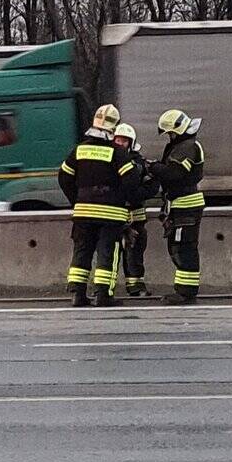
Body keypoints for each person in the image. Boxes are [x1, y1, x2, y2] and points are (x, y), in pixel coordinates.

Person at [58, 103, 140, 308]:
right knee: (107, 251)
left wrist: (77, 199)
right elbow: (131, 180)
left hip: (83, 211)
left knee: (82, 250)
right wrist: (122, 199)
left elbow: (64, 177)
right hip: (110, 213)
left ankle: (78, 294)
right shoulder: (117, 153)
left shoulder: (79, 150)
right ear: (114, 127)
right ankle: (103, 295)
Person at [154, 109, 205, 304]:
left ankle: (185, 292)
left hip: (186, 206)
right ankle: (185, 290)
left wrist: (153, 168)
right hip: (180, 206)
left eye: (170, 133)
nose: (170, 137)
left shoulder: (187, 147)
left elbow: (175, 173)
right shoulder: (185, 145)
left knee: (183, 248)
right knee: (179, 247)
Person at [113, 123, 158, 297]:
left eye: (124, 141)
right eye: (117, 140)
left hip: (136, 216)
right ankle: (104, 288)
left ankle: (136, 286)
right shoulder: (109, 161)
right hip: (114, 216)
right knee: (110, 252)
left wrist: (138, 195)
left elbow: (152, 184)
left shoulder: (139, 163)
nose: (120, 143)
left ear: (131, 143)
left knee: (135, 252)